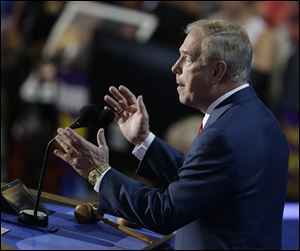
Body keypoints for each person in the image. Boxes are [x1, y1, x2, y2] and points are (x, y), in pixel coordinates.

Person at [54, 19, 289, 250]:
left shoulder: (221, 136)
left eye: (186, 58)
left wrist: (99, 174)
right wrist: (144, 140)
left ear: (217, 70)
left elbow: (166, 212)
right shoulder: (260, 117)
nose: (175, 67)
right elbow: (203, 182)